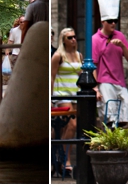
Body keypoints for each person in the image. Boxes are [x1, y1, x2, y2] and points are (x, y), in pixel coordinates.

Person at [92, 7, 128, 127]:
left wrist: (123, 46)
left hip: (120, 81)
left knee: (126, 107)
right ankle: (111, 141)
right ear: (103, 21)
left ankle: (119, 142)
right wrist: (95, 88)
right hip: (104, 80)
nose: (113, 23)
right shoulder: (95, 39)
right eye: (110, 21)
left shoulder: (119, 36)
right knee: (110, 112)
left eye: (115, 20)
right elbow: (93, 65)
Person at [51, 28, 83, 176]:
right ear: (63, 40)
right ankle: (65, 160)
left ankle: (62, 159)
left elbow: (82, 75)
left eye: (74, 37)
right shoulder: (58, 56)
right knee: (72, 125)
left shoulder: (79, 56)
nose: (73, 40)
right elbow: (51, 77)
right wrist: (50, 98)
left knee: (67, 130)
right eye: (70, 37)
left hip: (75, 94)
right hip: (62, 94)